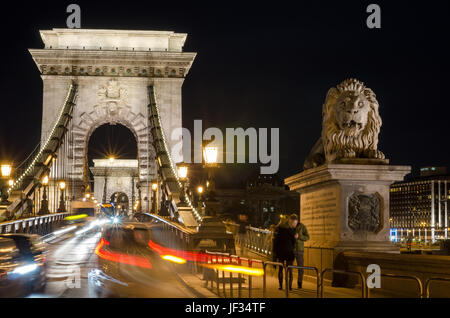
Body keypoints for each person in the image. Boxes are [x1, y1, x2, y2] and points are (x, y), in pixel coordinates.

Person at [273, 214, 298, 290]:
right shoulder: (290, 230)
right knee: (289, 269)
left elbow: (275, 242)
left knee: (280, 269)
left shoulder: (278, 230)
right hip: (289, 252)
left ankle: (281, 286)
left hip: (280, 252)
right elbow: (294, 241)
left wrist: (275, 252)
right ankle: (289, 286)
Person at [294, 217, 310, 289]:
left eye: (294, 222)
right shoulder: (290, 227)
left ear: (297, 221)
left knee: (300, 267)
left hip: (299, 250)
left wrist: (299, 236)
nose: (293, 223)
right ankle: (289, 284)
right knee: (289, 267)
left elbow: (307, 237)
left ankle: (299, 283)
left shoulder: (302, 227)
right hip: (291, 249)